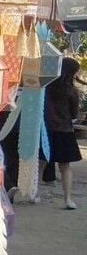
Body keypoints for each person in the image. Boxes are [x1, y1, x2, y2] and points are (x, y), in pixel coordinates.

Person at [42, 57, 81, 209]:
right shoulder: (72, 91)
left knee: (42, 161)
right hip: (65, 131)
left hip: (47, 129)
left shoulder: (47, 87)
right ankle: (68, 199)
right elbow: (74, 114)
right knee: (65, 167)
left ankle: (33, 193)